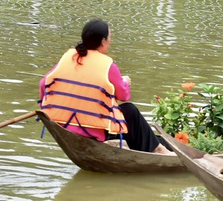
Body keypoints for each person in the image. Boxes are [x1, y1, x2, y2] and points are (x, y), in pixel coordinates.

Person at [39, 19, 171, 154]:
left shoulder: (69, 57)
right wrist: (124, 81)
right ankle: (159, 149)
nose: (110, 41)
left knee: (139, 129)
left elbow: (44, 84)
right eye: (109, 38)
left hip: (64, 126)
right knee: (130, 111)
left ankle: (157, 146)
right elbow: (124, 96)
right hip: (94, 130)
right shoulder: (108, 66)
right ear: (103, 41)